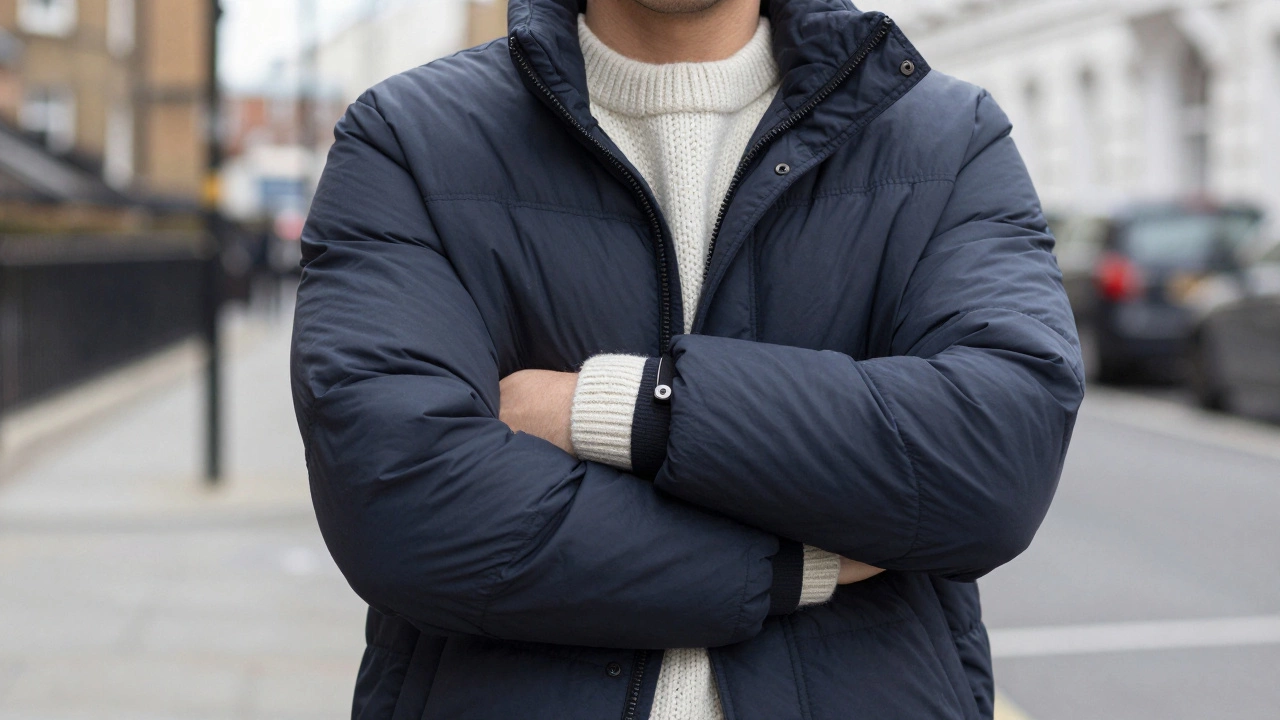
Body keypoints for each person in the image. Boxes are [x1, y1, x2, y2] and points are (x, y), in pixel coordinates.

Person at [289, 0, 1084, 717]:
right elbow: (403, 501)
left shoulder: (946, 137)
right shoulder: (409, 140)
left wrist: (618, 410)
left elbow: (996, 456)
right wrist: (794, 565)